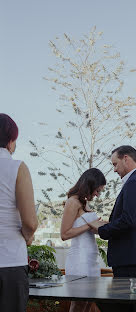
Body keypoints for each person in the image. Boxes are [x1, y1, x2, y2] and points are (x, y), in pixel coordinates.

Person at [88, 145, 136, 312]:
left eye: (115, 164)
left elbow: (129, 220)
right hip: (132, 256)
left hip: (129, 257)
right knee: (132, 305)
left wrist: (101, 230)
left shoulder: (135, 182)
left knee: (127, 306)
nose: (114, 170)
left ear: (126, 158)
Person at [0, 113, 38, 312]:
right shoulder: (17, 167)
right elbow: (30, 222)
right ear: (11, 140)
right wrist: (27, 236)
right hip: (9, 262)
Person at [61, 168, 107, 312]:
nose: (97, 194)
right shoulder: (73, 202)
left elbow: (89, 228)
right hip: (79, 260)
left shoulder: (85, 203)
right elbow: (64, 234)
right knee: (79, 303)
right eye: (97, 190)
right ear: (90, 185)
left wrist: (101, 226)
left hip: (91, 259)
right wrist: (89, 225)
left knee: (88, 303)